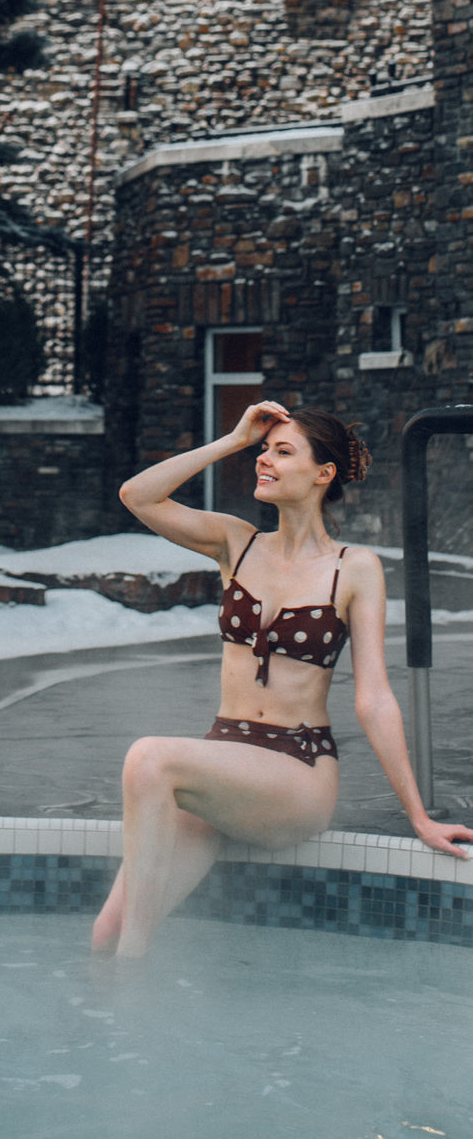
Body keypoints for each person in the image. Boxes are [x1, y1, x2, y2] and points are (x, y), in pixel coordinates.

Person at [92, 400, 473, 959]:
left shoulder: (354, 568)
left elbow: (374, 698)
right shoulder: (236, 543)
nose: (264, 461)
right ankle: (124, 989)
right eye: (264, 451)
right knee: (102, 935)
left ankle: (135, 966)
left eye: (282, 451)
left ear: (324, 474)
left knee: (149, 758)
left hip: (297, 769)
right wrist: (233, 440)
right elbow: (137, 495)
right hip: (226, 761)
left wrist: (417, 814)